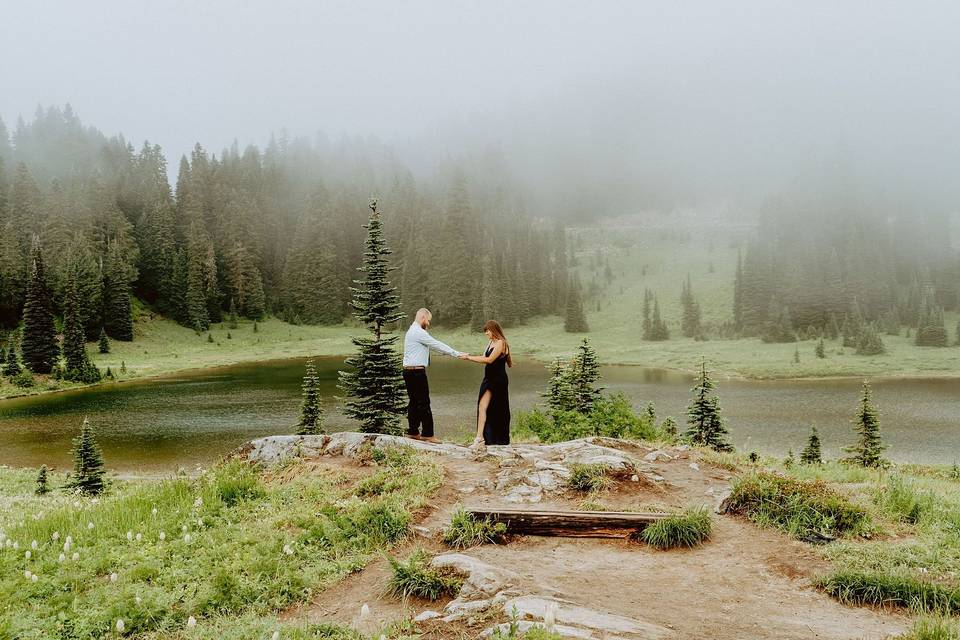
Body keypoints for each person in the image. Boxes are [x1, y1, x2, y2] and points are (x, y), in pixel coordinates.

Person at [402, 308, 469, 443]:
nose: (428, 323)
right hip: (416, 372)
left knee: (414, 401)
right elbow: (436, 345)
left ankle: (413, 431)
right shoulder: (418, 332)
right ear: (422, 317)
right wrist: (457, 353)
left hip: (409, 371)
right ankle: (427, 434)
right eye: (428, 320)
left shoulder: (412, 331)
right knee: (424, 402)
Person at [462, 320, 512, 447]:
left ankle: (493, 439)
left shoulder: (501, 343)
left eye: (487, 331)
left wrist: (469, 358)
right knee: (483, 406)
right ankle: (481, 438)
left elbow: (489, 360)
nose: (486, 334)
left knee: (498, 409)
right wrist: (469, 356)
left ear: (494, 330)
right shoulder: (491, 342)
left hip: (498, 380)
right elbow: (484, 356)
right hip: (488, 378)